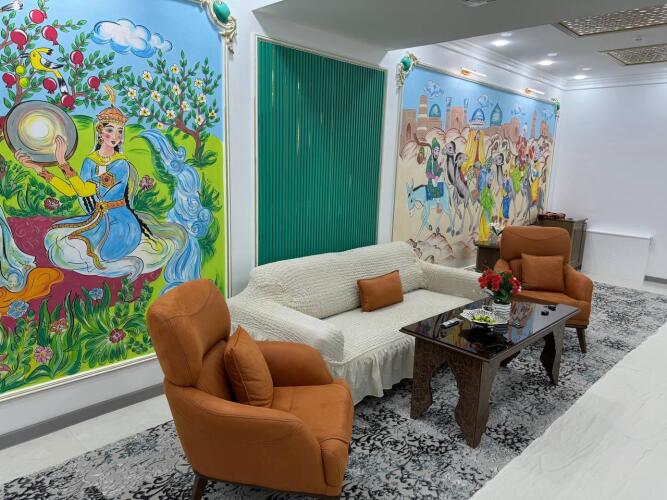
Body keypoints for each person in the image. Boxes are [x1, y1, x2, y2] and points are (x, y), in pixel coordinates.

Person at [14, 87, 184, 281]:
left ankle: (125, 262)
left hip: (121, 223)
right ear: (100, 132)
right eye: (110, 130)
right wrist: (38, 168)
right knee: (57, 240)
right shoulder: (90, 161)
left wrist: (62, 162)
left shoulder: (120, 164)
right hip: (98, 218)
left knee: (88, 252)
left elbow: (86, 189)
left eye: (119, 132)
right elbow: (72, 191)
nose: (115, 136)